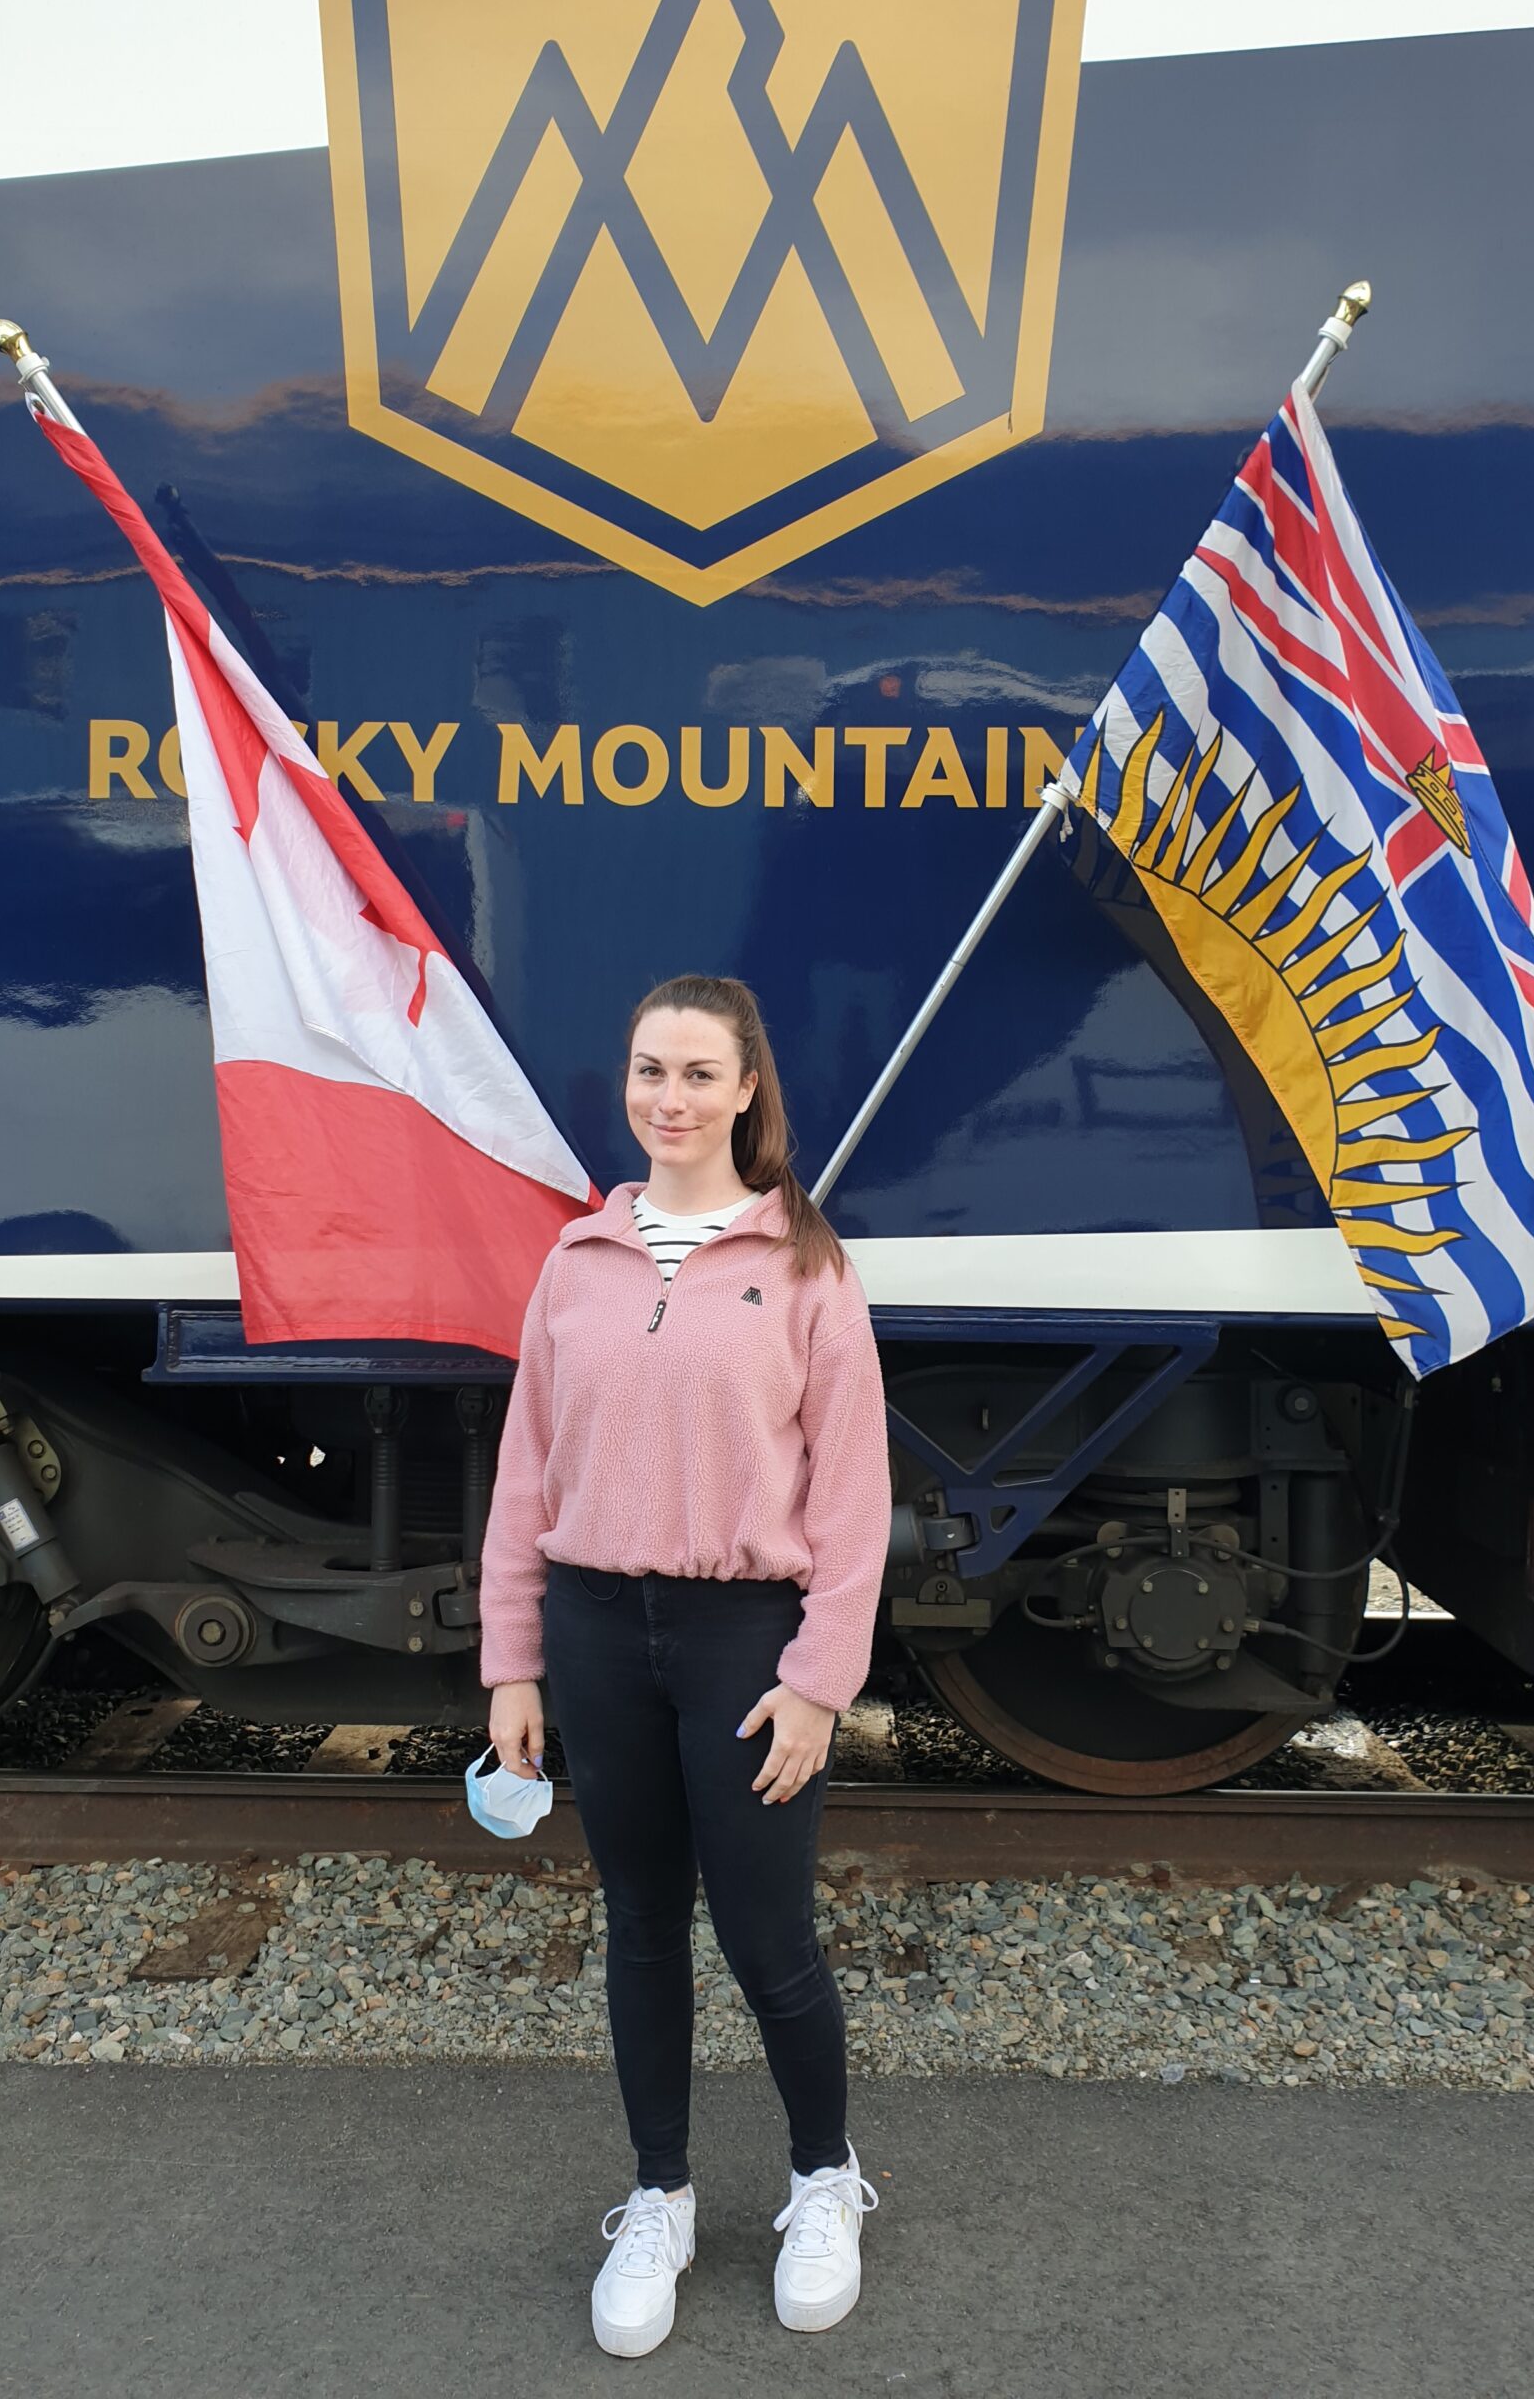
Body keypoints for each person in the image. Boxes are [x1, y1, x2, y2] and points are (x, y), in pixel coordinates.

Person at [480, 972, 892, 2360]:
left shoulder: (811, 1269)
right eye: (650, 1070)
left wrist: (822, 1679)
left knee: (768, 1935)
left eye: (700, 1074)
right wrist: (513, 1664)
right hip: (596, 1631)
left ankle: (824, 2181)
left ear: (748, 1089)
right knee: (642, 1926)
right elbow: (525, 1469)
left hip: (741, 1645)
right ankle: (659, 2198)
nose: (670, 1099)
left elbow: (850, 1500)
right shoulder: (576, 1261)